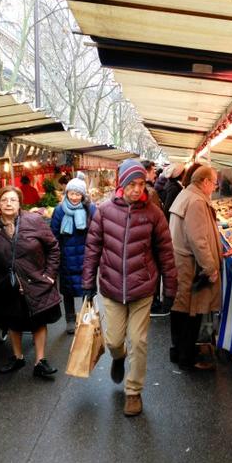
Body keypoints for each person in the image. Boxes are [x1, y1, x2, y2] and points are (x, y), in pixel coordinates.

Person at [82, 159, 177, 417]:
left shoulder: (154, 214)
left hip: (142, 288)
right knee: (113, 340)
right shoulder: (103, 211)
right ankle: (118, 356)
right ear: (121, 184)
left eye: (141, 184)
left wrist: (170, 289)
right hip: (111, 288)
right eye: (132, 184)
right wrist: (87, 282)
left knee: (139, 340)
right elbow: (92, 249)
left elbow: (166, 253)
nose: (137, 189)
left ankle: (133, 391)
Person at [0, 185, 61, 378]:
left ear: (20, 203)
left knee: (38, 320)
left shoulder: (34, 221)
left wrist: (49, 275)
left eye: (13, 200)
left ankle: (40, 361)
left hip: (35, 281)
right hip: (6, 285)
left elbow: (54, 248)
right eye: (4, 200)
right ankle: (18, 357)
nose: (8, 203)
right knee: (13, 320)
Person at [169, 166, 223, 370]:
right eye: (215, 182)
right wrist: (210, 268)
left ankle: (178, 351)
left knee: (180, 309)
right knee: (191, 312)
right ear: (205, 182)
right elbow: (198, 240)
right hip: (189, 265)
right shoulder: (197, 202)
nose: (215, 187)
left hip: (181, 261)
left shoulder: (186, 194)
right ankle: (188, 357)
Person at [50, 177, 96, 334]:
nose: (74, 197)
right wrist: (56, 255)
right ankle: (70, 319)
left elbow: (97, 231)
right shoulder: (60, 210)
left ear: (83, 195)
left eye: (78, 194)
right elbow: (53, 234)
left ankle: (85, 317)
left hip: (86, 255)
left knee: (86, 287)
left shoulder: (90, 209)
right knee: (67, 289)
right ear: (66, 193)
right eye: (71, 193)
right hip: (66, 257)